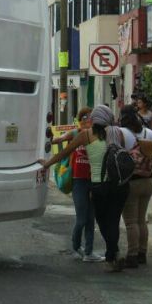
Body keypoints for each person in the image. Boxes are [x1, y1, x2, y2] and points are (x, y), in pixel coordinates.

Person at [40, 105, 136, 272]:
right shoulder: (117, 133)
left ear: (94, 119)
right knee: (113, 221)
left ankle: (112, 255)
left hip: (100, 185)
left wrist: (47, 164)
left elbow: (64, 152)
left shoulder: (86, 135)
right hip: (120, 185)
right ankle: (113, 255)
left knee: (103, 222)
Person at [118, 105, 152, 268]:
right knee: (141, 220)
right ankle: (142, 253)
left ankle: (132, 255)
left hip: (131, 181)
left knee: (131, 222)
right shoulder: (147, 133)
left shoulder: (122, 133)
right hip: (148, 180)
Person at [51, 107, 101, 262]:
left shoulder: (97, 135)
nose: (87, 121)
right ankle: (76, 246)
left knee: (91, 218)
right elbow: (58, 139)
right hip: (78, 181)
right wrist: (46, 138)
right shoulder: (75, 134)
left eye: (90, 118)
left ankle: (89, 252)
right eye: (84, 118)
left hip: (94, 181)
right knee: (81, 219)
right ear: (80, 120)